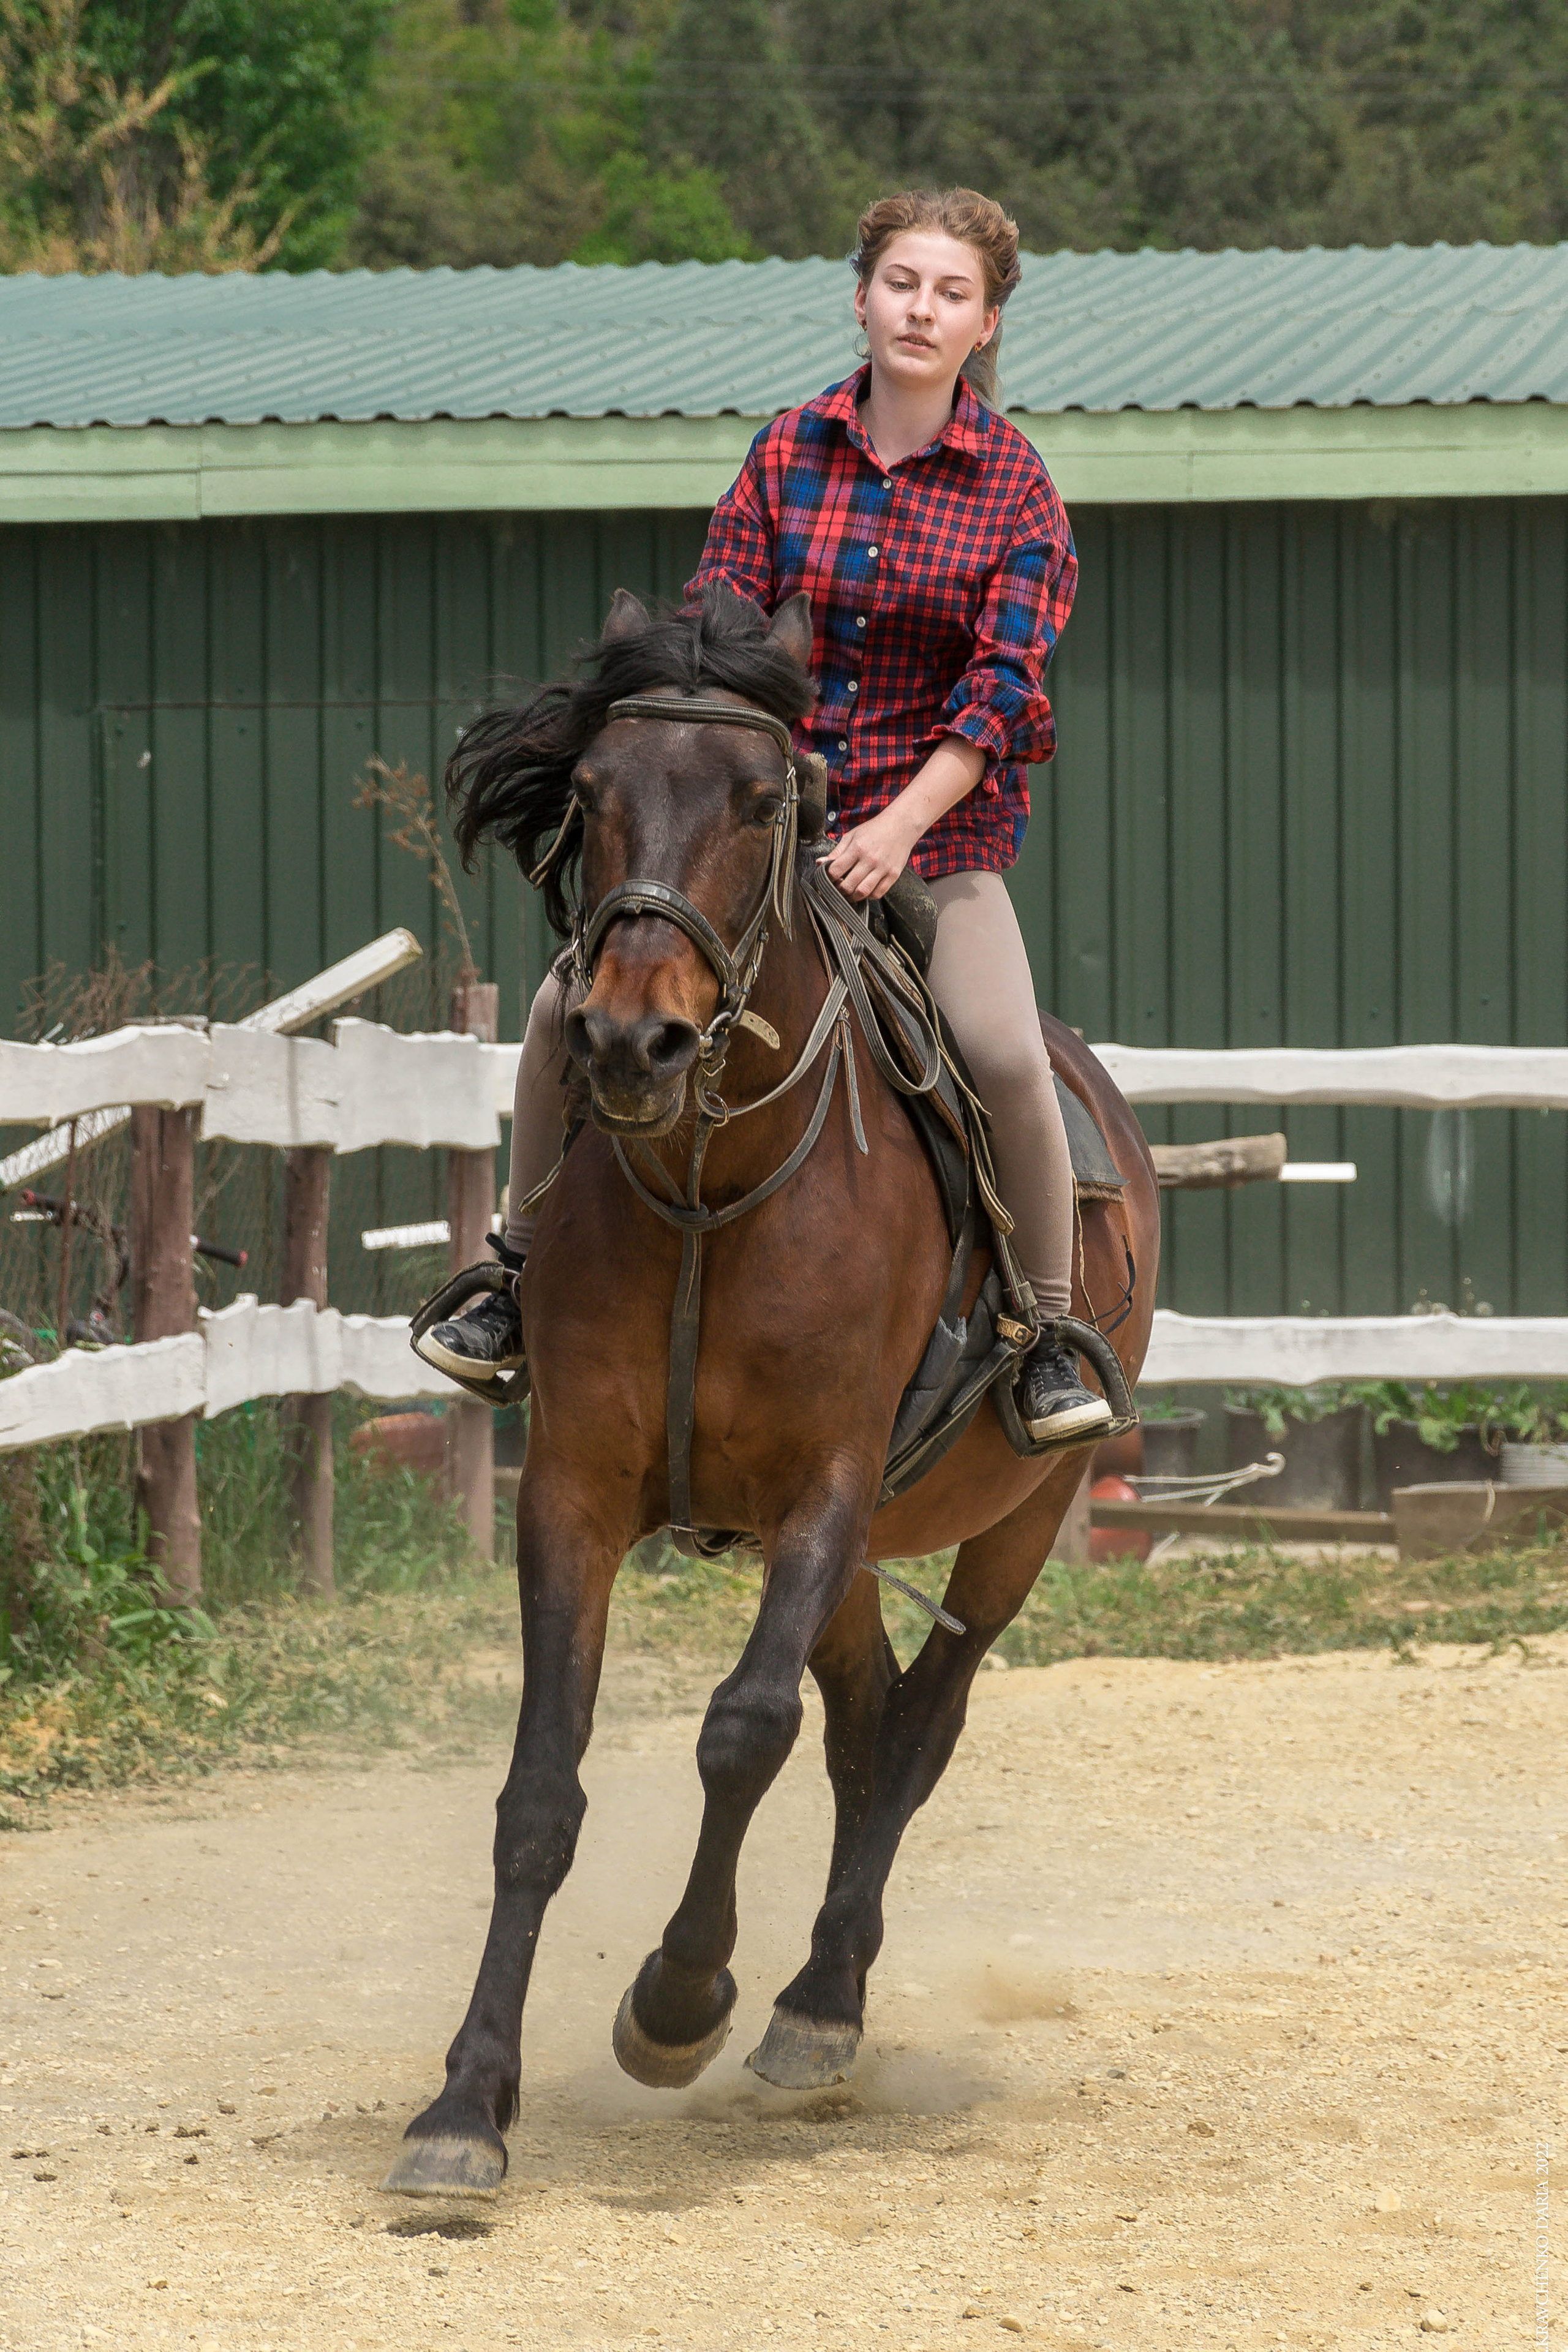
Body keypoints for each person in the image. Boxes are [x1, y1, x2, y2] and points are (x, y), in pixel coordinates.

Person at [422, 184, 1110, 1446]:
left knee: (1006, 1052)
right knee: (551, 1011)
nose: (921, 308)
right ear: (861, 299)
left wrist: (896, 827)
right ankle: (512, 1280)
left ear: (985, 324)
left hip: (933, 840)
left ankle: (1047, 1334)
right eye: (901, 283)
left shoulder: (1018, 493)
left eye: (951, 292)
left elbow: (1000, 697)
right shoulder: (787, 450)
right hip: (760, 828)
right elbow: (716, 640)